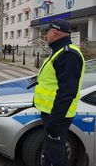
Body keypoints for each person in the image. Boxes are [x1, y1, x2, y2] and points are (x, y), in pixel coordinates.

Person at [33, 19, 85, 166]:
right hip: (51, 112)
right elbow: (52, 80)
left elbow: (67, 91)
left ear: (54, 32)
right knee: (53, 152)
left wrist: (55, 121)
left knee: (54, 156)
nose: (46, 35)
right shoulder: (59, 51)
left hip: (57, 116)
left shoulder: (68, 55)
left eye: (47, 32)